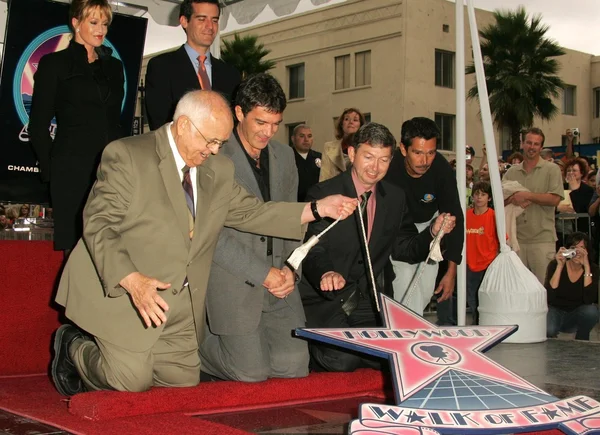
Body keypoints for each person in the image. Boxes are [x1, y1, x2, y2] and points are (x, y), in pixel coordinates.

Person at [51, 90, 357, 395]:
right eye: (209, 141)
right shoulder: (127, 155)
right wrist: (131, 280)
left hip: (178, 303)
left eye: (221, 143)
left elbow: (252, 212)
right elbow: (99, 223)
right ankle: (74, 347)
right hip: (125, 291)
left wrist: (316, 209)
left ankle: (140, 353)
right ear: (183, 125)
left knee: (183, 381)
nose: (213, 151)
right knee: (132, 381)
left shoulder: (217, 169)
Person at [299, 123, 456, 372]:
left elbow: (404, 247)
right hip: (325, 298)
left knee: (393, 355)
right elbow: (311, 248)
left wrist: (432, 233)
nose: (375, 168)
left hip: (366, 299)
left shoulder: (394, 197)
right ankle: (307, 346)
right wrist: (325, 272)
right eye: (368, 157)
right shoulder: (323, 193)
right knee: (344, 360)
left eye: (383, 160)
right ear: (352, 154)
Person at [200, 74, 309, 382]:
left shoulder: (285, 156)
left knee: (294, 366)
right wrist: (262, 273)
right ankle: (191, 347)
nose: (269, 132)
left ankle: (252, 344)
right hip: (234, 278)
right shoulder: (214, 155)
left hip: (280, 282)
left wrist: (292, 270)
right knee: (251, 371)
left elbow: (290, 222)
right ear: (238, 113)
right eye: (261, 122)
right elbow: (212, 234)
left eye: (276, 124)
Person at [28, 0, 125, 252]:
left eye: (104, 23)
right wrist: (53, 172)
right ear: (75, 23)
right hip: (70, 171)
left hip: (110, 172)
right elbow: (38, 126)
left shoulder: (114, 68)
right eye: (93, 22)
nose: (100, 29)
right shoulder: (54, 64)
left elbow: (117, 122)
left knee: (110, 249)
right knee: (76, 252)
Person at [384, 117, 464, 316]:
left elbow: (454, 216)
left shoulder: (441, 169)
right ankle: (408, 335)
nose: (425, 161)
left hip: (431, 227)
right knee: (405, 285)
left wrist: (451, 271)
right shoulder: (388, 170)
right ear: (403, 149)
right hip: (399, 229)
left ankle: (410, 327)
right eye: (418, 153)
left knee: (425, 289)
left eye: (431, 153)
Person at [145, 0, 241, 130]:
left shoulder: (230, 74)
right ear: (184, 21)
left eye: (214, 20)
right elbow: (160, 124)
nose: (210, 27)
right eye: (202, 19)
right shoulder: (162, 67)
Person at [503, 127, 564, 284]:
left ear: (541, 147)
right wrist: (512, 199)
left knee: (543, 291)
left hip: (542, 240)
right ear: (523, 144)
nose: (532, 147)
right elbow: (500, 202)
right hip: (516, 241)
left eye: (536, 144)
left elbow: (555, 199)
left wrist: (527, 195)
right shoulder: (511, 172)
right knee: (517, 290)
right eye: (529, 142)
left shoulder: (552, 169)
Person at [545, 232, 599, 341]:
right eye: (574, 248)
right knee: (549, 329)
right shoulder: (555, 265)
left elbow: (589, 299)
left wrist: (586, 266)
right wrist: (560, 266)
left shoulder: (593, 268)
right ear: (567, 250)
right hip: (556, 310)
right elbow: (549, 297)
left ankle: (582, 340)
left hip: (577, 313)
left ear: (587, 251)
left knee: (591, 312)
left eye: (582, 248)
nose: (577, 252)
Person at [466, 181, 499, 325]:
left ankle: (484, 322)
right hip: (468, 263)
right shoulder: (466, 215)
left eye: (483, 194)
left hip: (487, 264)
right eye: (477, 194)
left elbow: (502, 240)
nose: (479, 197)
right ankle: (476, 321)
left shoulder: (494, 216)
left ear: (489, 198)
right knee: (471, 297)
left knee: (485, 298)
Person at [319, 108, 366, 182]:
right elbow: (324, 177)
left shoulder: (367, 147)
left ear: (361, 125)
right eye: (347, 119)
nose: (351, 122)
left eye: (355, 120)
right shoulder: (329, 147)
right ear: (341, 124)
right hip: (334, 190)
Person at [291, 124, 322, 201]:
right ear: (293, 138)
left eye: (309, 136)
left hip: (317, 203)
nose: (306, 139)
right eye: (301, 136)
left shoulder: (320, 157)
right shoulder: (287, 157)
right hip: (295, 204)